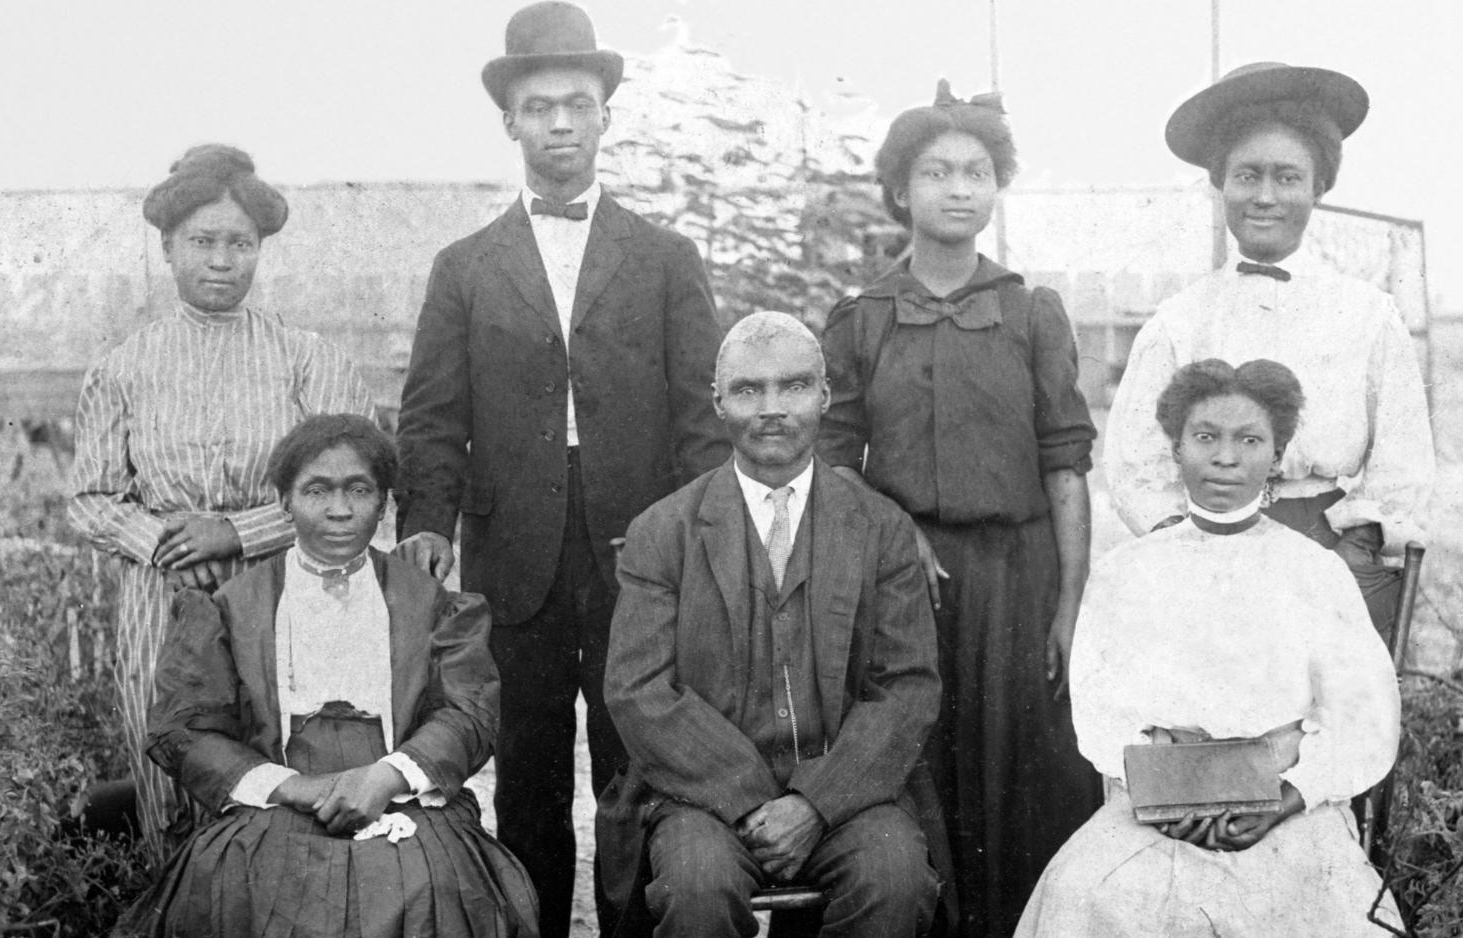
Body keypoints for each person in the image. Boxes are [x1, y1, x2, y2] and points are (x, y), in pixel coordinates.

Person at [392, 3, 729, 933]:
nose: (562, 124)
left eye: (578, 104)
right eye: (540, 107)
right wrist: (425, 522)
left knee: (638, 766)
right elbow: (431, 417)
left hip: (642, 550)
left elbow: (703, 417)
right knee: (529, 773)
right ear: (511, 123)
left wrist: (706, 541)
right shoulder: (463, 267)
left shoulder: (665, 259)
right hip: (515, 557)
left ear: (606, 116)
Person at [816, 80, 1099, 937]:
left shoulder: (1030, 311)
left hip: (1019, 577)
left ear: (997, 185)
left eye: (977, 170)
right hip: (904, 588)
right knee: (918, 765)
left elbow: (1065, 467)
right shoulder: (859, 318)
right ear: (901, 189)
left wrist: (1069, 606)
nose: (959, 188)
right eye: (936, 171)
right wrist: (897, 530)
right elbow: (829, 463)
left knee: (1026, 775)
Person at [1016, 359, 1403, 937]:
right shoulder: (1128, 572)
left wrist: (1287, 797)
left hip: (1288, 808)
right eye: (1205, 437)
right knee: (1086, 894)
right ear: (1177, 448)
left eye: (1249, 440)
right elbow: (1100, 712)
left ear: (1276, 456)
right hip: (1158, 810)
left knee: (1322, 907)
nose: (1226, 457)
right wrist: (1172, 793)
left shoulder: (1313, 572)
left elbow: (1363, 720)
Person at [116, 415, 539, 938]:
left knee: (435, 891)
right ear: (283, 503)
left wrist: (385, 777)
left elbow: (469, 711)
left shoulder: (432, 603)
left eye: (358, 490)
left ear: (384, 504)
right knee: (239, 885)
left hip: (403, 796)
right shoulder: (231, 608)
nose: (339, 510)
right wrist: (290, 786)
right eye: (317, 490)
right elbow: (184, 730)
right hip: (276, 797)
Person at [69, 144, 374, 855]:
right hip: (160, 601)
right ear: (169, 247)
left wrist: (234, 534)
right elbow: (90, 498)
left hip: (279, 594)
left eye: (240, 244)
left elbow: (353, 483)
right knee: (170, 769)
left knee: (278, 770)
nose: (221, 260)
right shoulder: (123, 367)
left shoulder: (306, 359)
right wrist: (169, 544)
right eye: (203, 242)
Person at [599, 313, 944, 938]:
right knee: (697, 888)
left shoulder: (880, 529)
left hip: (846, 791)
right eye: (748, 390)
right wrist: (749, 799)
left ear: (826, 396)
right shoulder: (663, 532)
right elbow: (638, 691)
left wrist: (816, 804)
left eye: (794, 386)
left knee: (895, 880)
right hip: (702, 796)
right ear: (718, 404)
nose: (773, 409)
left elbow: (907, 687)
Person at [1105, 62, 1434, 636]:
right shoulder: (1179, 321)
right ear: (1221, 183)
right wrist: (1180, 540)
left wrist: (1357, 545)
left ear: (1317, 188)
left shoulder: (1368, 316)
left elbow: (1403, 456)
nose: (1264, 197)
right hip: (1209, 551)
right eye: (1247, 175)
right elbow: (1136, 460)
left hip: (1332, 550)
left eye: (1287, 178)